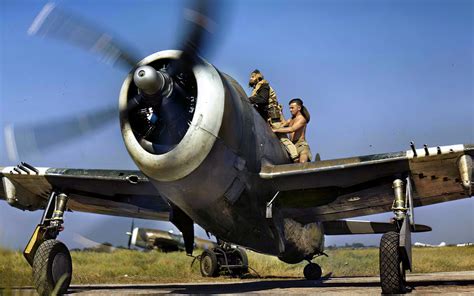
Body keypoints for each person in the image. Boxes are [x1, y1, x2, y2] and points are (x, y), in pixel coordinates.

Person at [248, 70, 299, 161]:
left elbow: (262, 99)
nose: (250, 79)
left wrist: (248, 99)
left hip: (273, 116)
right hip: (265, 116)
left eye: (252, 77)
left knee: (281, 136)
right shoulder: (257, 88)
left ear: (257, 77)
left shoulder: (264, 86)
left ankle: (295, 156)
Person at [272, 98, 312, 163]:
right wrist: (280, 112)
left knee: (303, 164)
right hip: (292, 146)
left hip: (301, 145)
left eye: (292, 108)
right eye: (290, 108)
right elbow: (283, 124)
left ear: (299, 108)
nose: (290, 110)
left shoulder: (302, 119)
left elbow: (292, 129)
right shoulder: (291, 119)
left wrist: (276, 130)